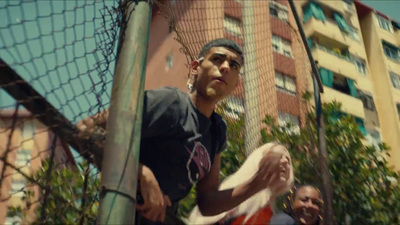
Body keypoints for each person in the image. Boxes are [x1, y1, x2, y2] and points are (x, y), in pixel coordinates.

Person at [77, 38, 287, 224]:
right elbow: (89, 128)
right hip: (121, 213)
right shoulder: (171, 103)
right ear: (196, 67)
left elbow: (207, 202)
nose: (225, 67)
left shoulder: (218, 131)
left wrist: (258, 183)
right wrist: (142, 173)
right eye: (217, 59)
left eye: (233, 65)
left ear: (235, 84)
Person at [188, 142, 294, 225]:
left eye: (288, 159)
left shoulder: (269, 208)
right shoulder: (236, 194)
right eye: (278, 157)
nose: (284, 161)